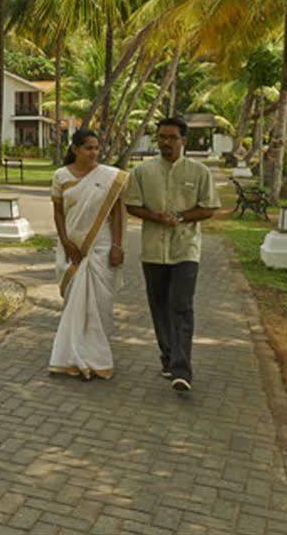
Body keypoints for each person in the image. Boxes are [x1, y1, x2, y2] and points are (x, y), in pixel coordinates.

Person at [123, 116, 221, 392]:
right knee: (159, 306)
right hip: (153, 251)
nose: (165, 142)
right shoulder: (143, 172)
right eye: (161, 137)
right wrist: (155, 216)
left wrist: (180, 216)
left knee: (181, 305)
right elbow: (132, 206)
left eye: (171, 138)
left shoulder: (199, 172)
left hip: (185, 249)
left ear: (183, 140)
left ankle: (181, 369)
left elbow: (209, 208)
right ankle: (167, 358)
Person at [49, 129, 128, 380]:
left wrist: (117, 246)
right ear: (75, 149)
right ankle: (71, 358)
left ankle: (96, 359)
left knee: (100, 305)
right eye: (89, 148)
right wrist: (65, 241)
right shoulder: (61, 176)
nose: (94, 153)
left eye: (96, 148)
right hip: (71, 246)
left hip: (101, 246)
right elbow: (59, 212)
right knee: (74, 300)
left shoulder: (108, 176)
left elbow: (117, 214)